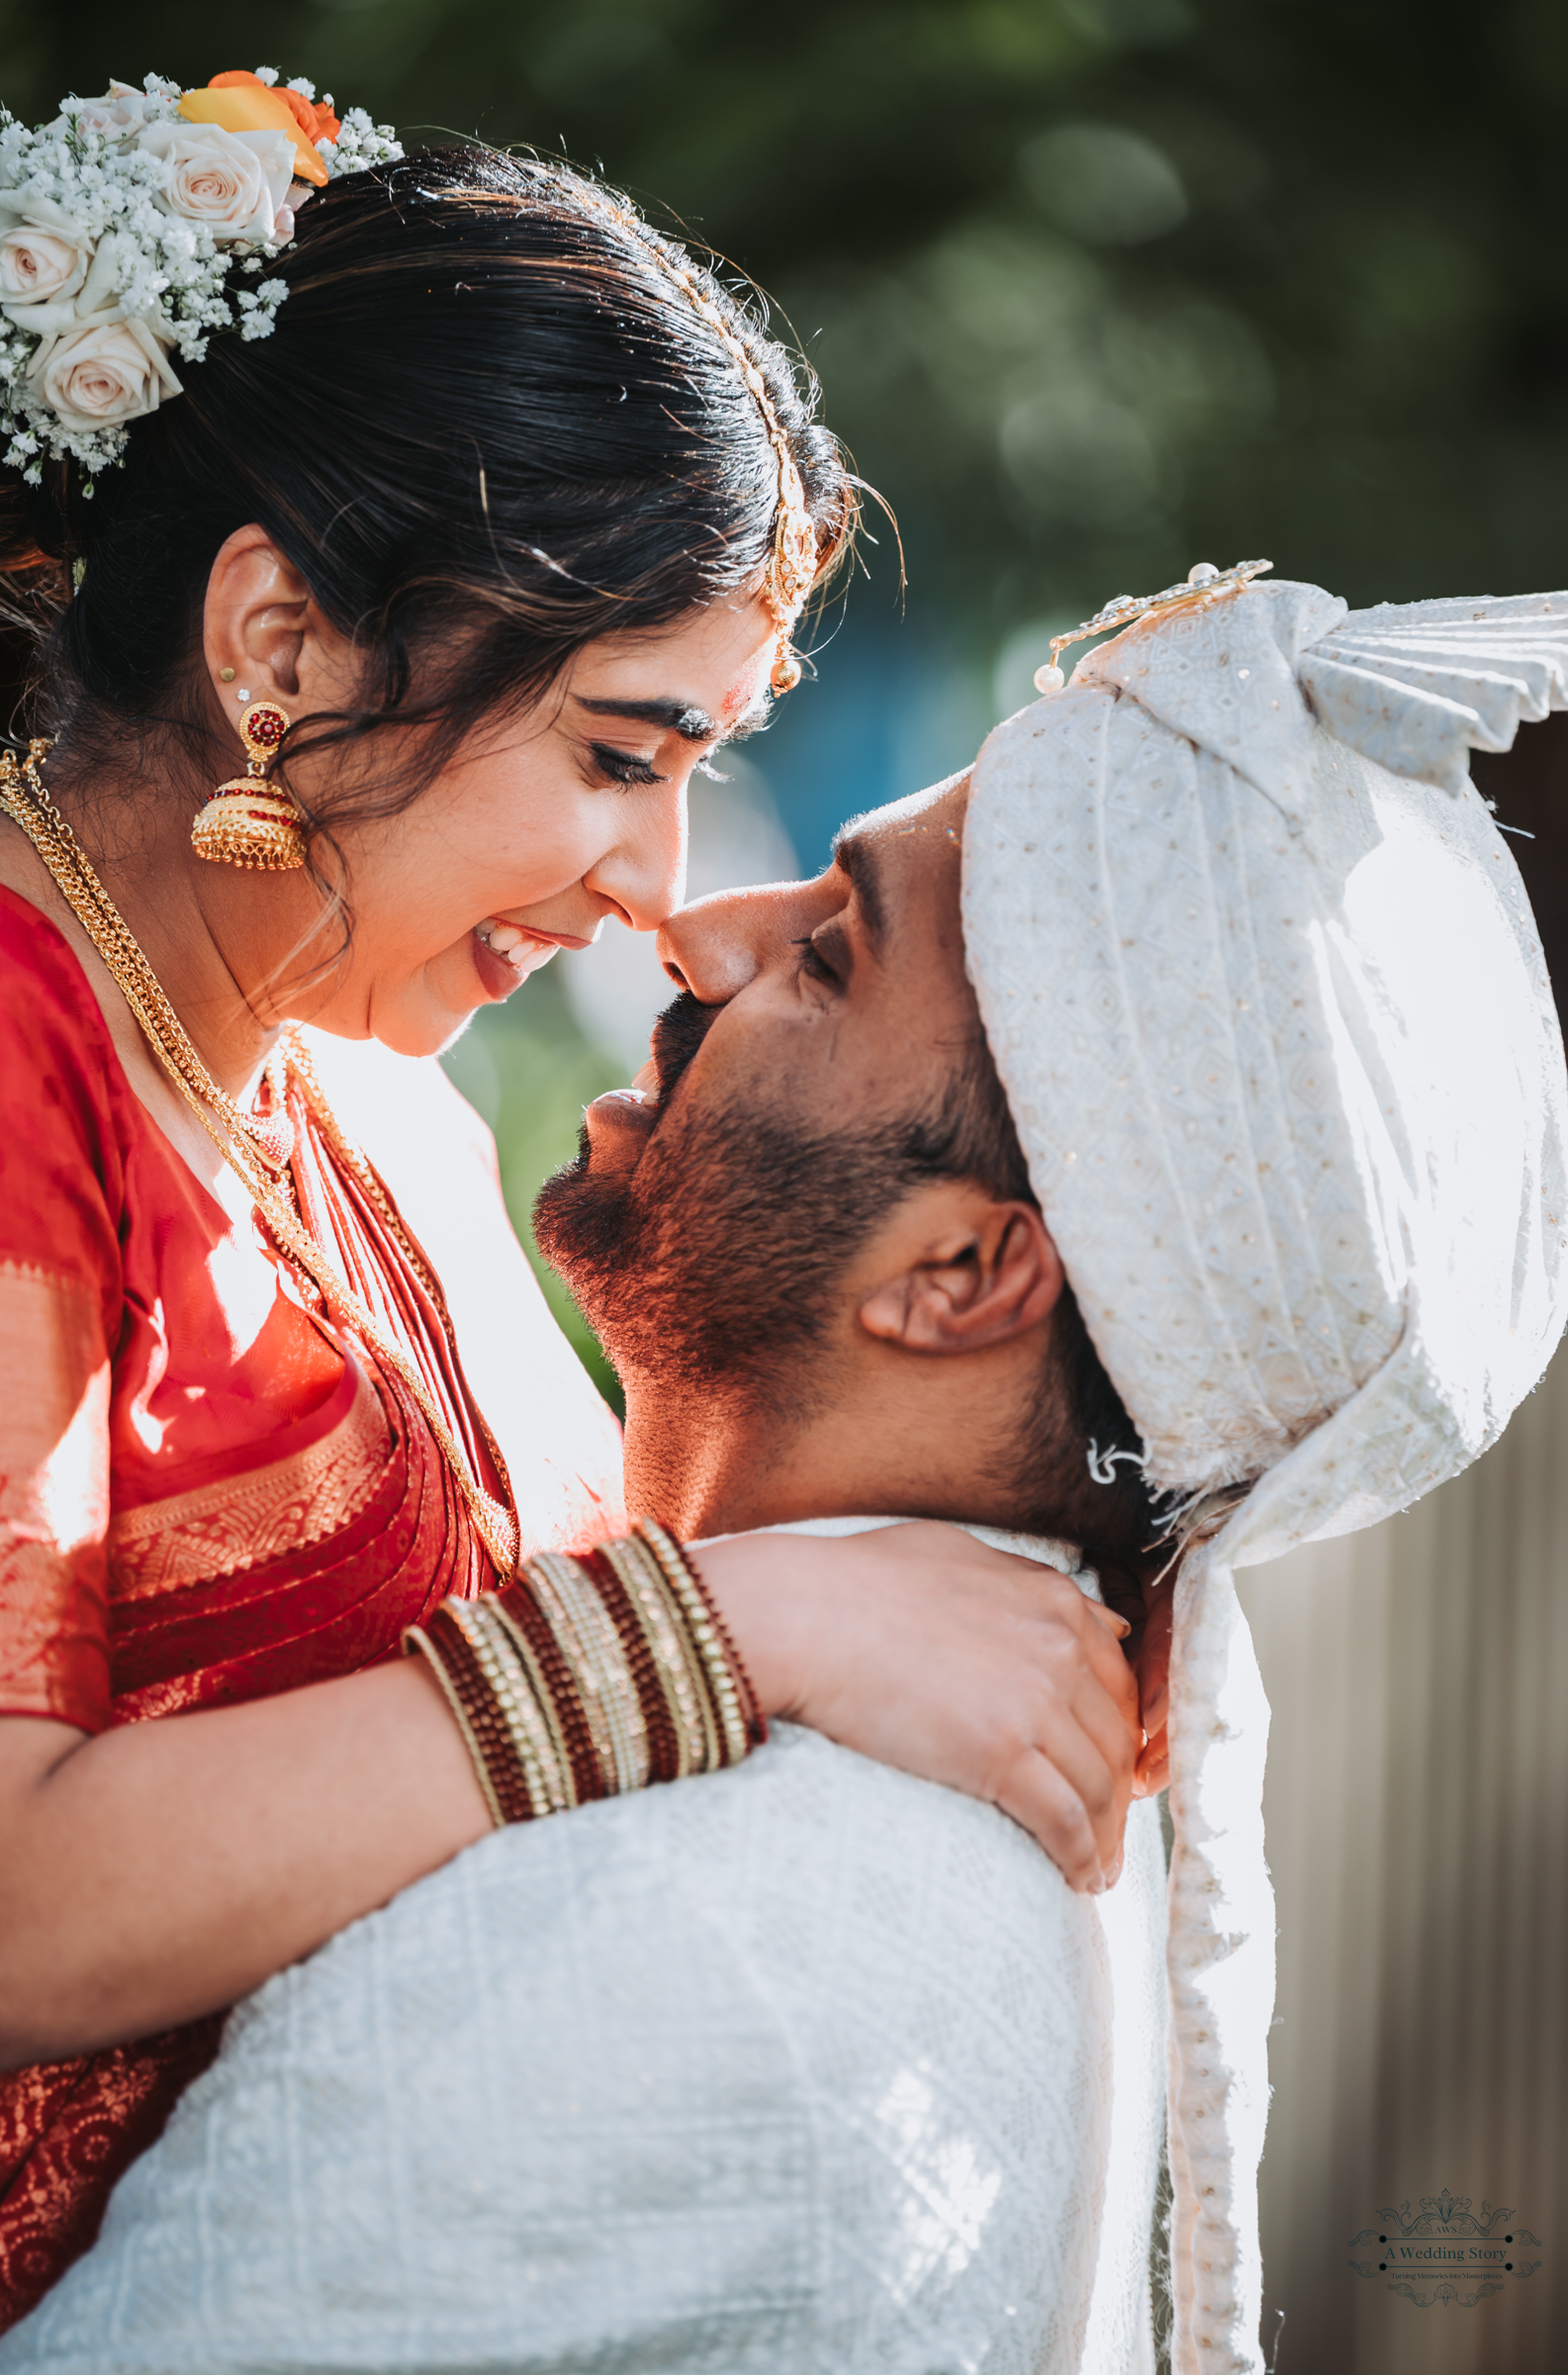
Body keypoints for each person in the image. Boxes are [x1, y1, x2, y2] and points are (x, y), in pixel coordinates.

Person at [8, 569, 1564, 2375]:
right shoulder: (900, 1701)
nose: (694, 925)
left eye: (827, 955)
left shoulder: (640, 1970)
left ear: (959, 1278)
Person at [0, 75, 1146, 2328]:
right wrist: (740, 1639)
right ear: (287, 650)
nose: (662, 890)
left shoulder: (310, 1079)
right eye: (621, 754)